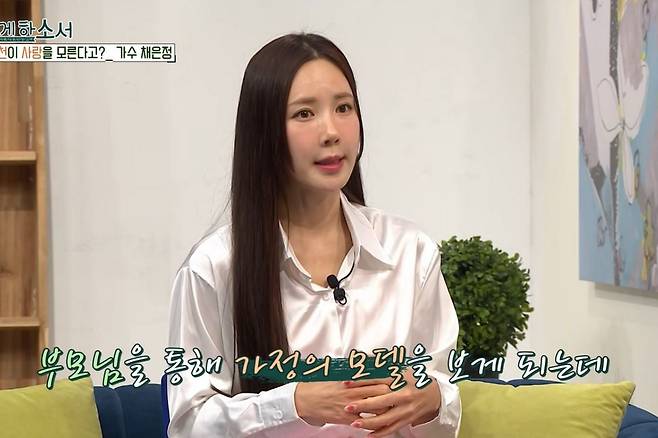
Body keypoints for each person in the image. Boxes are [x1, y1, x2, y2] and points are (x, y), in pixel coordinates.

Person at [167, 32, 461, 437]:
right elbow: (189, 425)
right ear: (264, 132)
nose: (331, 131)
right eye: (305, 114)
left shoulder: (410, 252)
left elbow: (442, 389)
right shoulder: (214, 268)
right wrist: (293, 403)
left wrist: (432, 401)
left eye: (344, 108)